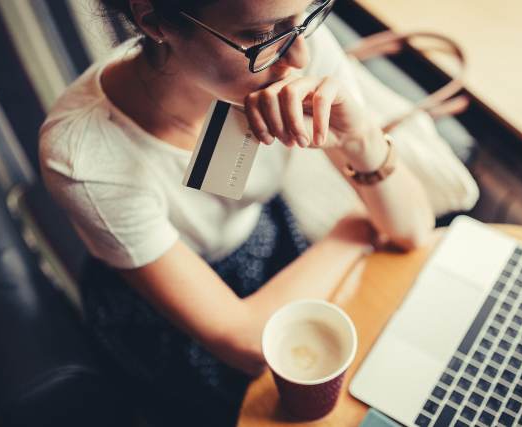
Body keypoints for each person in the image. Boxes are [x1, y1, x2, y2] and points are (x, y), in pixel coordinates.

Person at [38, 0, 474, 425]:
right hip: (165, 311)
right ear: (155, 22)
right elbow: (249, 344)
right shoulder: (84, 159)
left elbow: (412, 229)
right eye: (263, 35)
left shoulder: (296, 50)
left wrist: (361, 137)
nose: (302, 54)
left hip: (262, 237)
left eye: (306, 16)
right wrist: (352, 231)